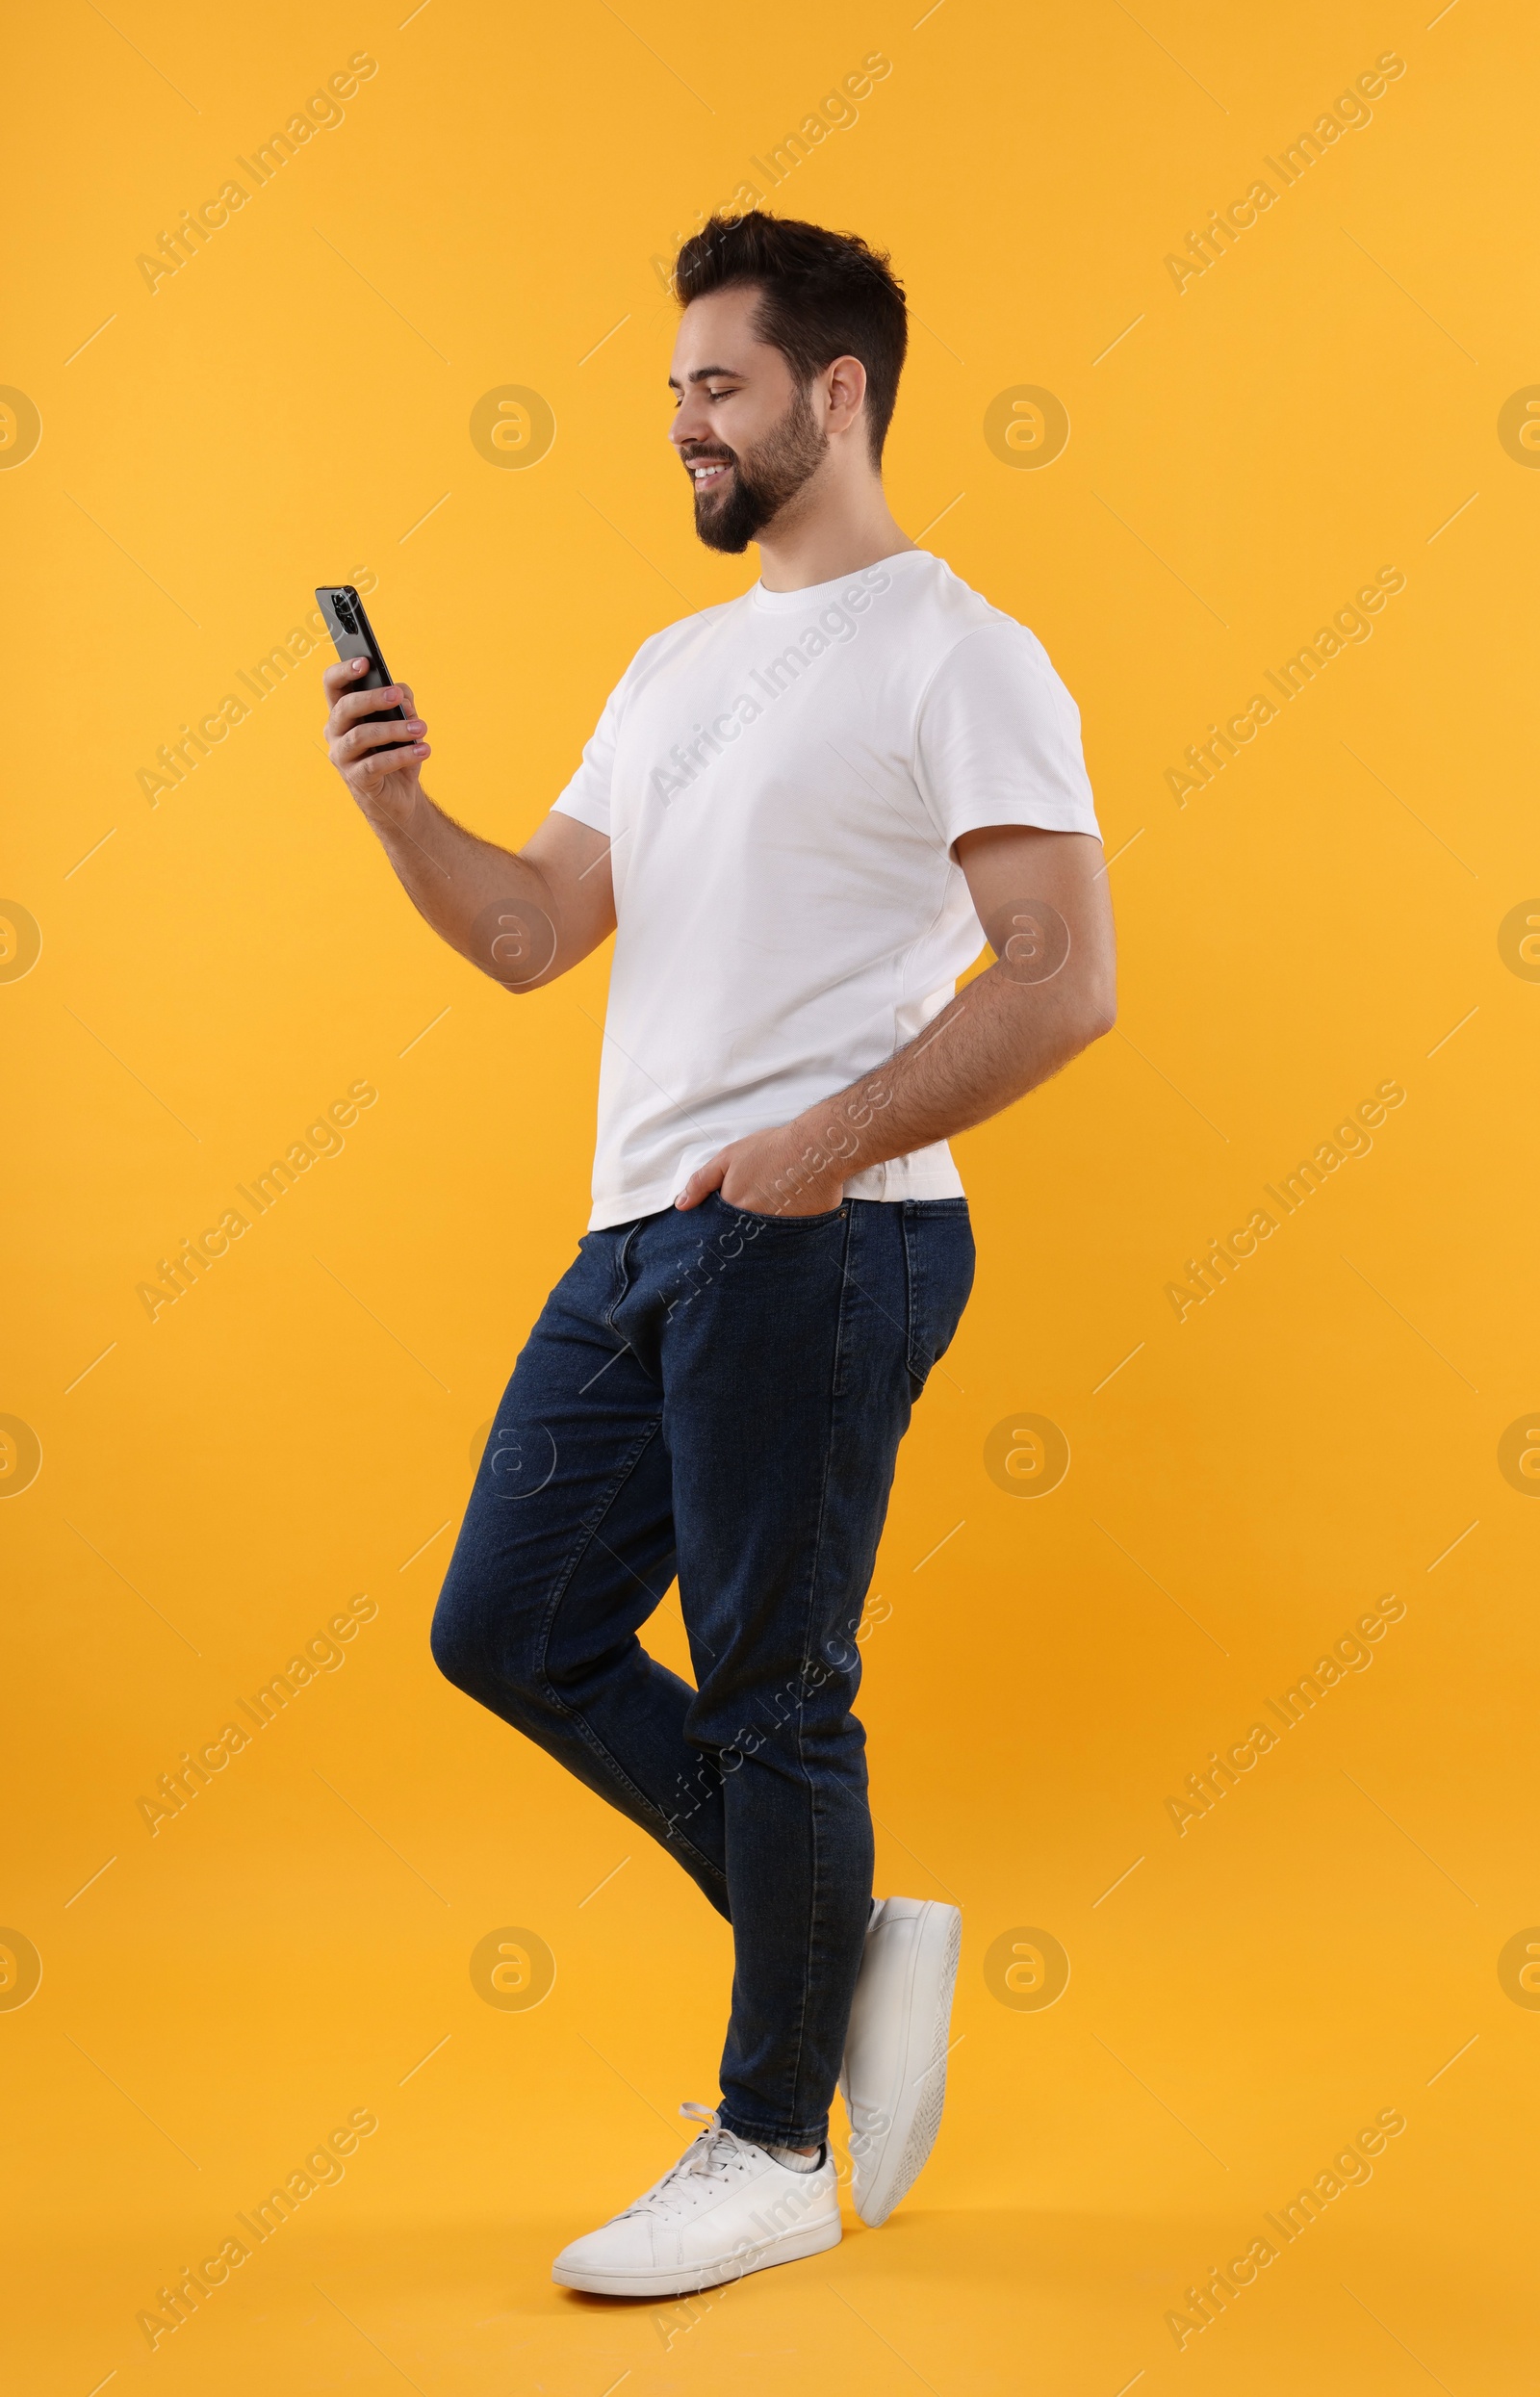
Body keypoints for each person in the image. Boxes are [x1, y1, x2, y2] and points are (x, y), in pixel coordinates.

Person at [322, 211, 1115, 2299]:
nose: (676, 425)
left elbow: (1058, 983)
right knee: (508, 1628)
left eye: (714, 388)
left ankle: (770, 2144)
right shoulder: (672, 666)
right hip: (643, 1235)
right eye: (672, 389)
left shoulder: (958, 648)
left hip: (824, 1234)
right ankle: (832, 1944)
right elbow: (526, 936)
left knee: (773, 1694)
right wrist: (403, 809)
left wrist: (820, 1147)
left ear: (831, 394)